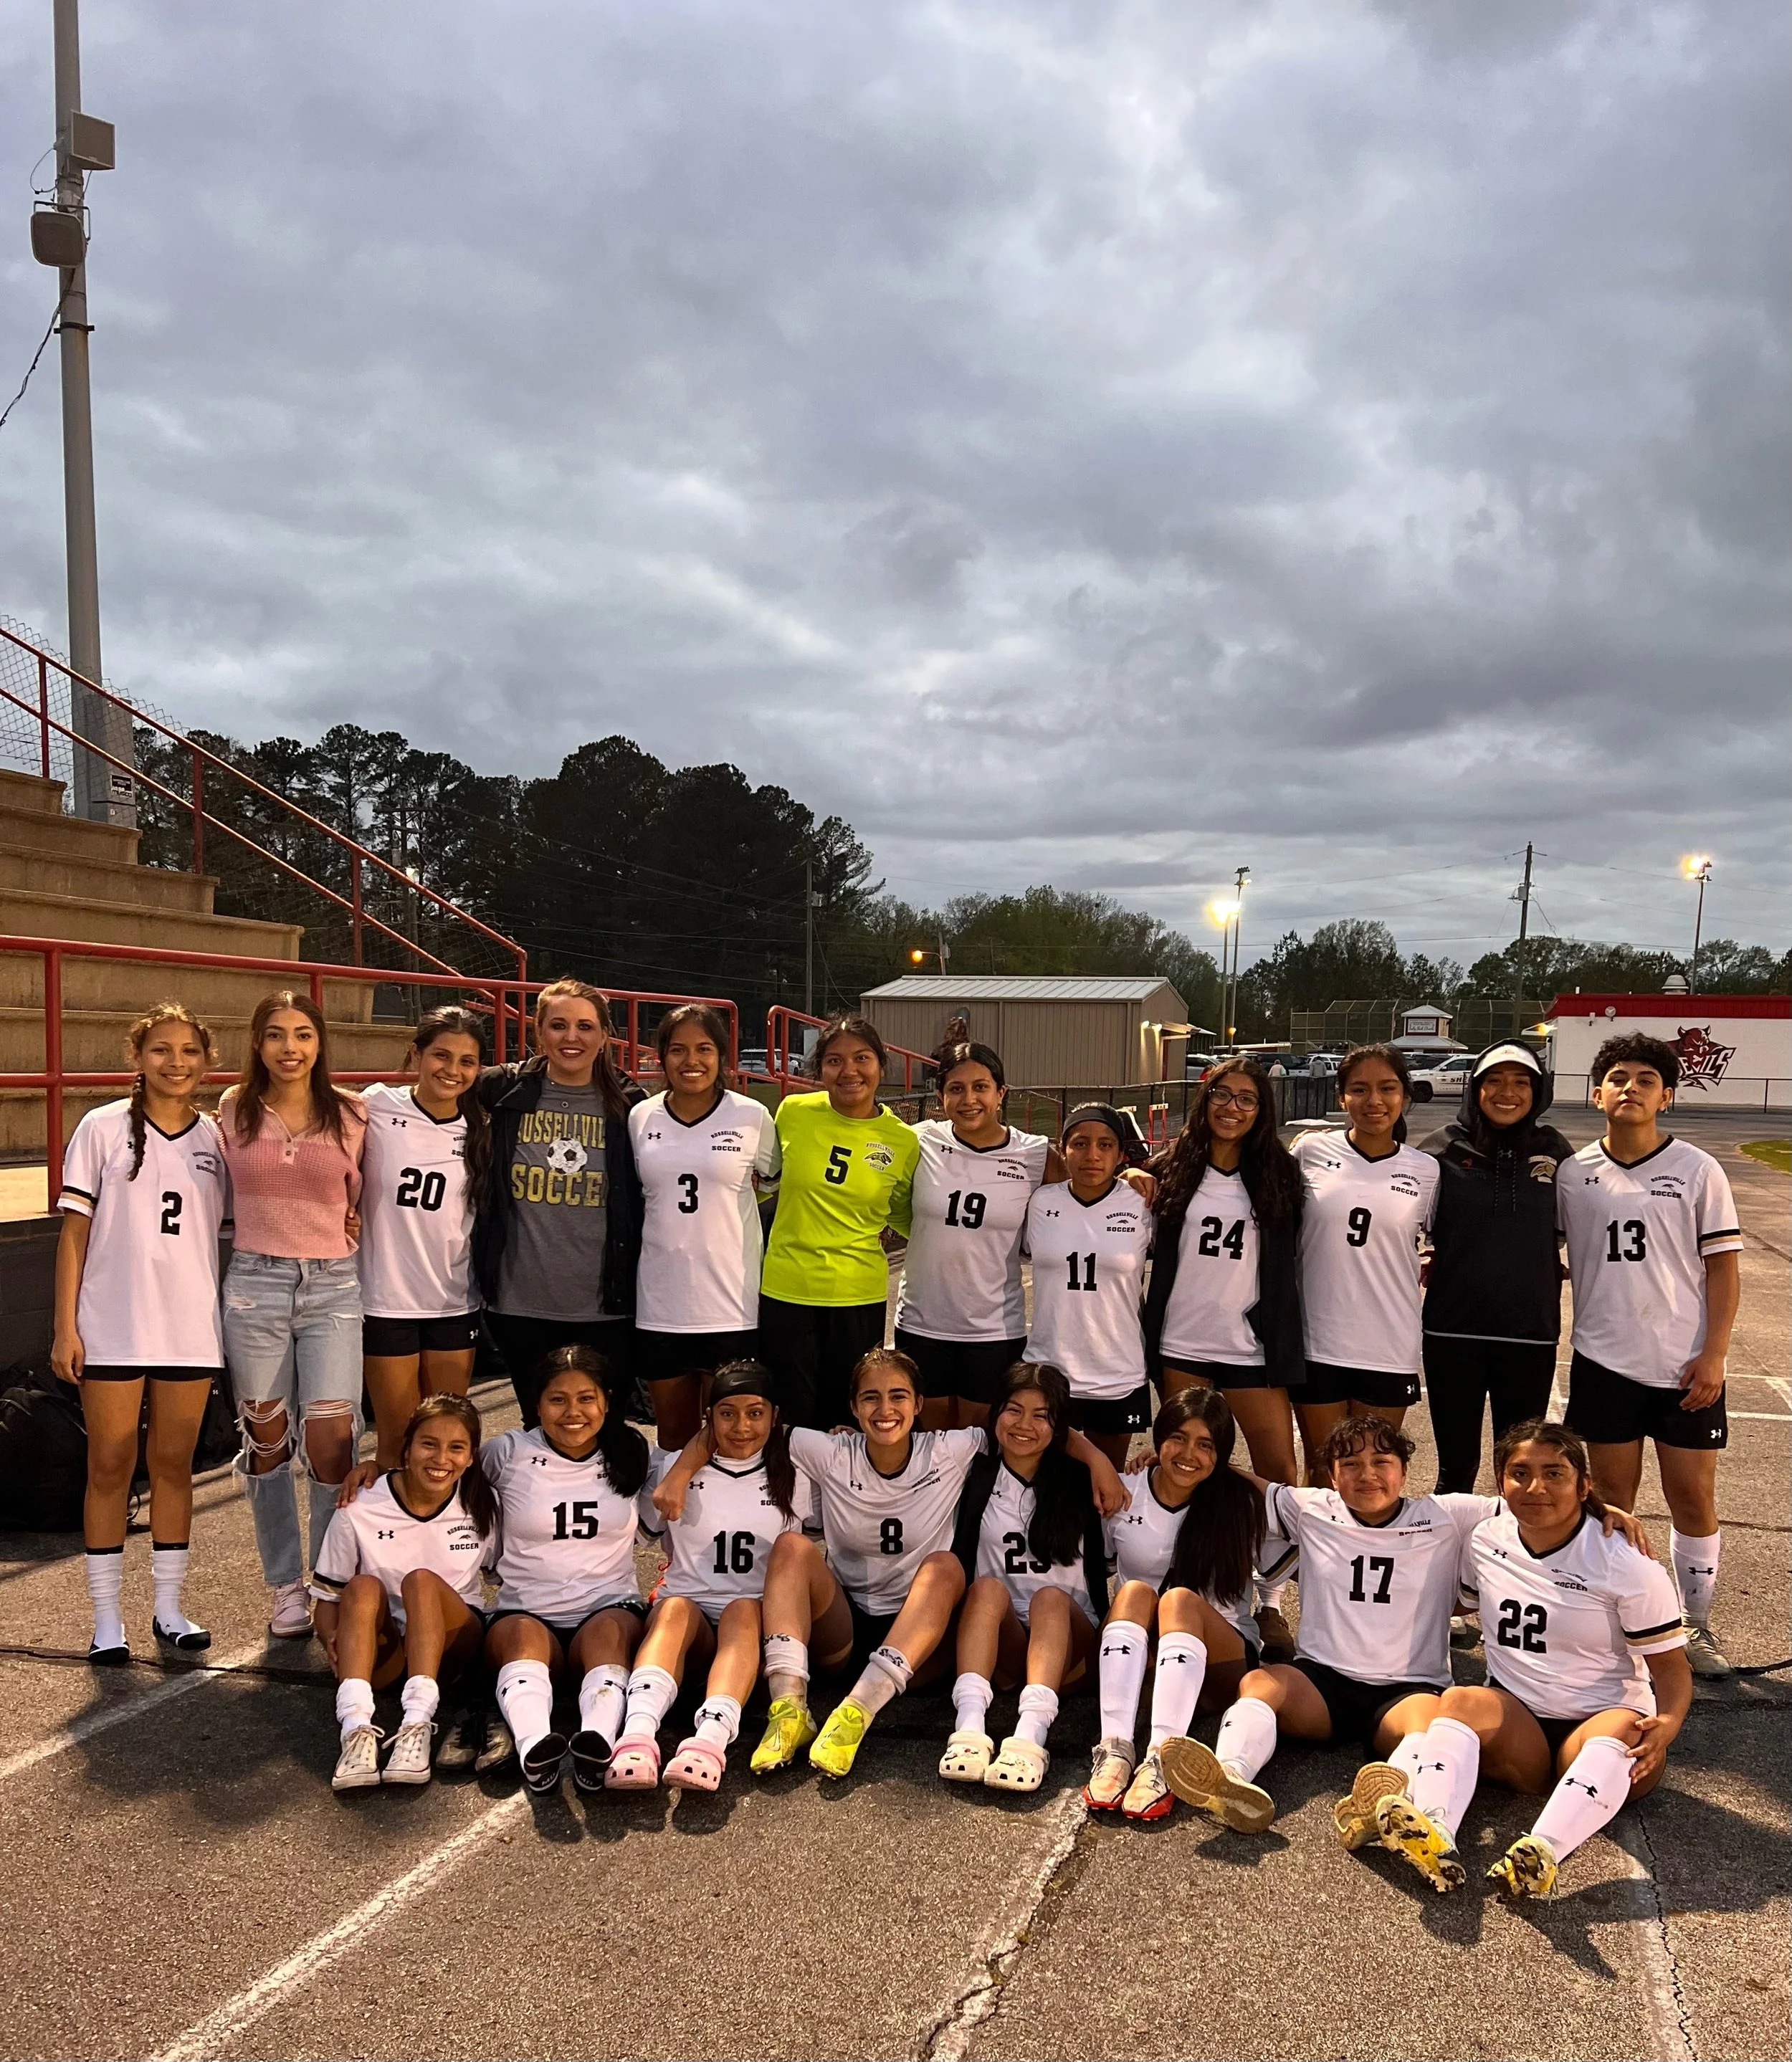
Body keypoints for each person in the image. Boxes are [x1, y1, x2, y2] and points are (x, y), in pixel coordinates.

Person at [1160, 1414, 1647, 1859]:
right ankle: (1229, 1776)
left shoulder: (1449, 1514)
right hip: (1322, 1681)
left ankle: (1389, 1806)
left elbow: (1539, 1500)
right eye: (1350, 1463)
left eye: (1381, 1461)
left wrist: (1603, 1510)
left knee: (1427, 1727)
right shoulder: (1310, 1508)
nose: (1366, 1473)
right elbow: (1243, 1482)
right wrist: (1168, 1460)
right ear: (1331, 1475)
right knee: (1262, 1684)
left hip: (1408, 1686)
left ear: (1405, 1470)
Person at [668, 1345, 1123, 1780]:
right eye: (871, 1397)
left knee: (946, 1567)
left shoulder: (952, 1450)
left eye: (898, 1396)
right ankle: (789, 1709)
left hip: (925, 1635)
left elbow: (1038, 1430)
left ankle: (857, 1712)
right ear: (852, 1406)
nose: (885, 1409)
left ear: (920, 1403)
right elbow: (740, 1423)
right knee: (791, 1547)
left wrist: (1098, 1459)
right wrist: (679, 1474)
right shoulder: (827, 1451)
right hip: (846, 1627)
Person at [1366, 1421, 1691, 1901]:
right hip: (1520, 1728)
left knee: (1625, 1730)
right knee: (1457, 1700)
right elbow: (1460, 1598)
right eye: (1520, 1472)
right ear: (1501, 1483)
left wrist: (1669, 1722)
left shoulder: (1625, 1563)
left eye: (1554, 1473)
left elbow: (1670, 1667)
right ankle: (1435, 1837)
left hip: (1599, 1722)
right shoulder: (1487, 1538)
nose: (1536, 1487)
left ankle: (1542, 1852)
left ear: (1584, 1485)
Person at [1557, 1034, 1744, 1676]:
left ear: (1666, 1094)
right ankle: (1626, 1620)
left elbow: (1723, 1267)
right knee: (1611, 1497)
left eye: (1645, 1078)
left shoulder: (1697, 1169)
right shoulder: (1573, 1173)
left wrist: (1715, 1353)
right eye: (1617, 1076)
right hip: (1603, 1359)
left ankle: (1695, 1623)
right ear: (1596, 1092)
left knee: (1691, 1493)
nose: (1630, 1086)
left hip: (1684, 1362)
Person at [52, 1003, 229, 1661]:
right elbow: (73, 1235)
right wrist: (64, 1326)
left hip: (188, 1329)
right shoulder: (100, 1127)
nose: (175, 1061)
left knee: (174, 1467)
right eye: (161, 1049)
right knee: (109, 1465)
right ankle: (105, 1617)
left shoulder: (216, 1137)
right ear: (138, 1056)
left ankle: (169, 1608)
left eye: (189, 1050)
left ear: (207, 1063)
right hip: (112, 1326)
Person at [1142, 1056, 1305, 1656]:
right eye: (1222, 1096)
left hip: (1250, 1347)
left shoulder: (1279, 1174)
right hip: (1181, 1343)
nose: (1232, 1107)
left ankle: (1269, 1602)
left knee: (1275, 1475)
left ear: (1262, 1111)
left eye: (1247, 1099)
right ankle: (1197, 1592)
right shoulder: (1169, 1170)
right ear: (1204, 1101)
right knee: (1189, 1467)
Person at [216, 989, 366, 1639]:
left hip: (333, 1285)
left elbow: (364, 1197)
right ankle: (285, 1585)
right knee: (267, 1442)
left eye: (303, 1034)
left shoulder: (353, 1113)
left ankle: (330, 1580)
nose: (290, 1047)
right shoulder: (232, 1109)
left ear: (319, 1043)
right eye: (276, 1034)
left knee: (333, 1444)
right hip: (255, 1283)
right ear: (258, 1043)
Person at [607, 1360, 816, 1792]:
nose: (742, 1426)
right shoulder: (674, 1471)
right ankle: (638, 1735)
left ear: (775, 1416)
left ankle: (710, 1742)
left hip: (758, 1626)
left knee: (742, 1608)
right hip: (692, 1622)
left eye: (755, 1413)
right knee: (675, 1608)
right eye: (727, 1413)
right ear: (709, 1418)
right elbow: (639, 1535)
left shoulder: (798, 1471)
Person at [1085, 1388, 1269, 1821]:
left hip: (1222, 1664)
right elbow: (1099, 1569)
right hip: (1142, 1662)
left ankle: (1163, 1760)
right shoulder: (1125, 1491)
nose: (1189, 1454)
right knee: (1132, 1593)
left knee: (1179, 1601)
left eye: (1206, 1445)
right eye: (1178, 1439)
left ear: (1222, 1453)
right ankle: (1114, 1749)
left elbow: (1297, 1519)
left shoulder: (1241, 1501)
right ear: (1158, 1438)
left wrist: (1236, 1475)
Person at [480, 1345, 655, 1793]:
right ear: (536, 1404)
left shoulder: (633, 1450)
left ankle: (596, 1740)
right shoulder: (507, 1452)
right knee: (521, 1642)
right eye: (557, 1400)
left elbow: (697, 1458)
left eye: (586, 1398)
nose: (572, 1412)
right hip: (525, 1609)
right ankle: (535, 1746)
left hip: (607, 1604)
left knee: (610, 1636)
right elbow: (440, 1480)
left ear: (607, 1401)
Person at [472, 980, 644, 1428]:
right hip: (520, 1304)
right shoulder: (500, 1092)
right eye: (559, 1025)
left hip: (609, 1306)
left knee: (605, 1432)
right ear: (539, 1033)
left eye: (586, 1026)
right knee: (541, 1436)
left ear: (605, 1036)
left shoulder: (633, 1107)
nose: (573, 1038)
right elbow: (426, 1104)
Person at [312, 1393, 497, 1790]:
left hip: (455, 1649)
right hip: (389, 1655)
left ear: (471, 1457)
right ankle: (356, 1728)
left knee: (420, 1581)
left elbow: (513, 1582)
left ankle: (417, 1725)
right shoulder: (360, 1505)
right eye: (429, 1444)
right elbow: (327, 1599)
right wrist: (331, 1637)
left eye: (456, 1448)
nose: (441, 1459)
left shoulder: (483, 1503)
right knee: (360, 1587)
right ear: (407, 1448)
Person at [940, 1363, 1107, 1793]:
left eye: (1041, 1415)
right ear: (995, 1413)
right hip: (1007, 1644)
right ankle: (970, 1730)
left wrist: (1098, 1458)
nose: (1024, 1425)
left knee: (1050, 1598)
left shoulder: (1083, 1481)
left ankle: (1031, 1737)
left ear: (1060, 1425)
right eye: (1014, 1410)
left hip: (1074, 1647)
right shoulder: (971, 1475)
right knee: (986, 1589)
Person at [1418, 1041, 1574, 1494]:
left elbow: (1580, 1224)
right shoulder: (1443, 1149)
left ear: (1537, 1090)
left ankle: (1508, 1562)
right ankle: (1451, 1563)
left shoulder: (1557, 1153)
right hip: (1453, 1332)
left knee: (1521, 1470)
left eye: (1521, 1082)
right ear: (1476, 1088)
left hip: (1528, 1333)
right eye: (1495, 1080)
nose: (1508, 1092)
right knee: (1455, 1470)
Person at [756, 1013, 919, 1431]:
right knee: (788, 1414)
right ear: (820, 1068)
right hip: (787, 1288)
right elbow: (764, 1181)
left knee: (847, 1417)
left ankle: (843, 1497)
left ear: (882, 1065)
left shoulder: (902, 1139)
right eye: (835, 1061)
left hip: (857, 1295)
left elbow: (905, 1214)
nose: (849, 1071)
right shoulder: (793, 1111)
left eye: (862, 1058)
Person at [629, 1005, 780, 1450]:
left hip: (731, 1304)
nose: (691, 1060)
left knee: (732, 1438)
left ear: (722, 1058)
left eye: (704, 1049)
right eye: (678, 1050)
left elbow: (773, 1184)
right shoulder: (641, 1118)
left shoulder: (751, 1116)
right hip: (662, 1303)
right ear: (662, 1057)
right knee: (674, 1437)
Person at [1289, 1046, 1439, 1482]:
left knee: (1369, 1478)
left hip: (1388, 1345)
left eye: (1387, 1088)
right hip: (1318, 1339)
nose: (1374, 1101)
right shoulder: (1311, 1151)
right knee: (1322, 1475)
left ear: (1405, 1096)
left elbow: (1445, 1242)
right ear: (1342, 1098)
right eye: (1360, 1089)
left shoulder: (1427, 1170)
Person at [892, 1041, 1053, 1433]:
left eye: (981, 1087)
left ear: (1001, 1093)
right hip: (922, 1322)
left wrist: (1133, 1179)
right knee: (929, 1442)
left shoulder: (1036, 1154)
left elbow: (1086, 1196)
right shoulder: (919, 1140)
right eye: (956, 1089)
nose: (969, 1099)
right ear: (939, 1095)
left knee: (979, 1440)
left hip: (994, 1329)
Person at [358, 1006, 490, 1467]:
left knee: (446, 1438)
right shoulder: (375, 1105)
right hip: (385, 1299)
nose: (452, 1071)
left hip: (453, 1301)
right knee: (396, 1439)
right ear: (415, 1054)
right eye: (441, 1055)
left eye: (467, 1061)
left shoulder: (481, 1128)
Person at [1022, 1104, 1154, 1469]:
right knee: (1045, 1486)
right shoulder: (1039, 1203)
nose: (1092, 1155)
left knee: (1104, 1487)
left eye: (1105, 1145)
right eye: (1080, 1144)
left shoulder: (1143, 1204)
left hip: (1116, 1373)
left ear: (1120, 1153)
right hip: (1048, 1371)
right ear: (1062, 1149)